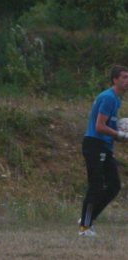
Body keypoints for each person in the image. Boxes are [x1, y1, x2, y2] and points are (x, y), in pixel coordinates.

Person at [79, 65, 128, 236]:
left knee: (114, 185)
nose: (127, 80)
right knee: (96, 186)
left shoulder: (116, 99)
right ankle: (85, 227)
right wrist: (120, 134)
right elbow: (99, 127)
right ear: (115, 80)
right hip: (94, 144)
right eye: (124, 77)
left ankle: (88, 217)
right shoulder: (108, 97)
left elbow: (108, 127)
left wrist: (120, 131)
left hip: (105, 146)